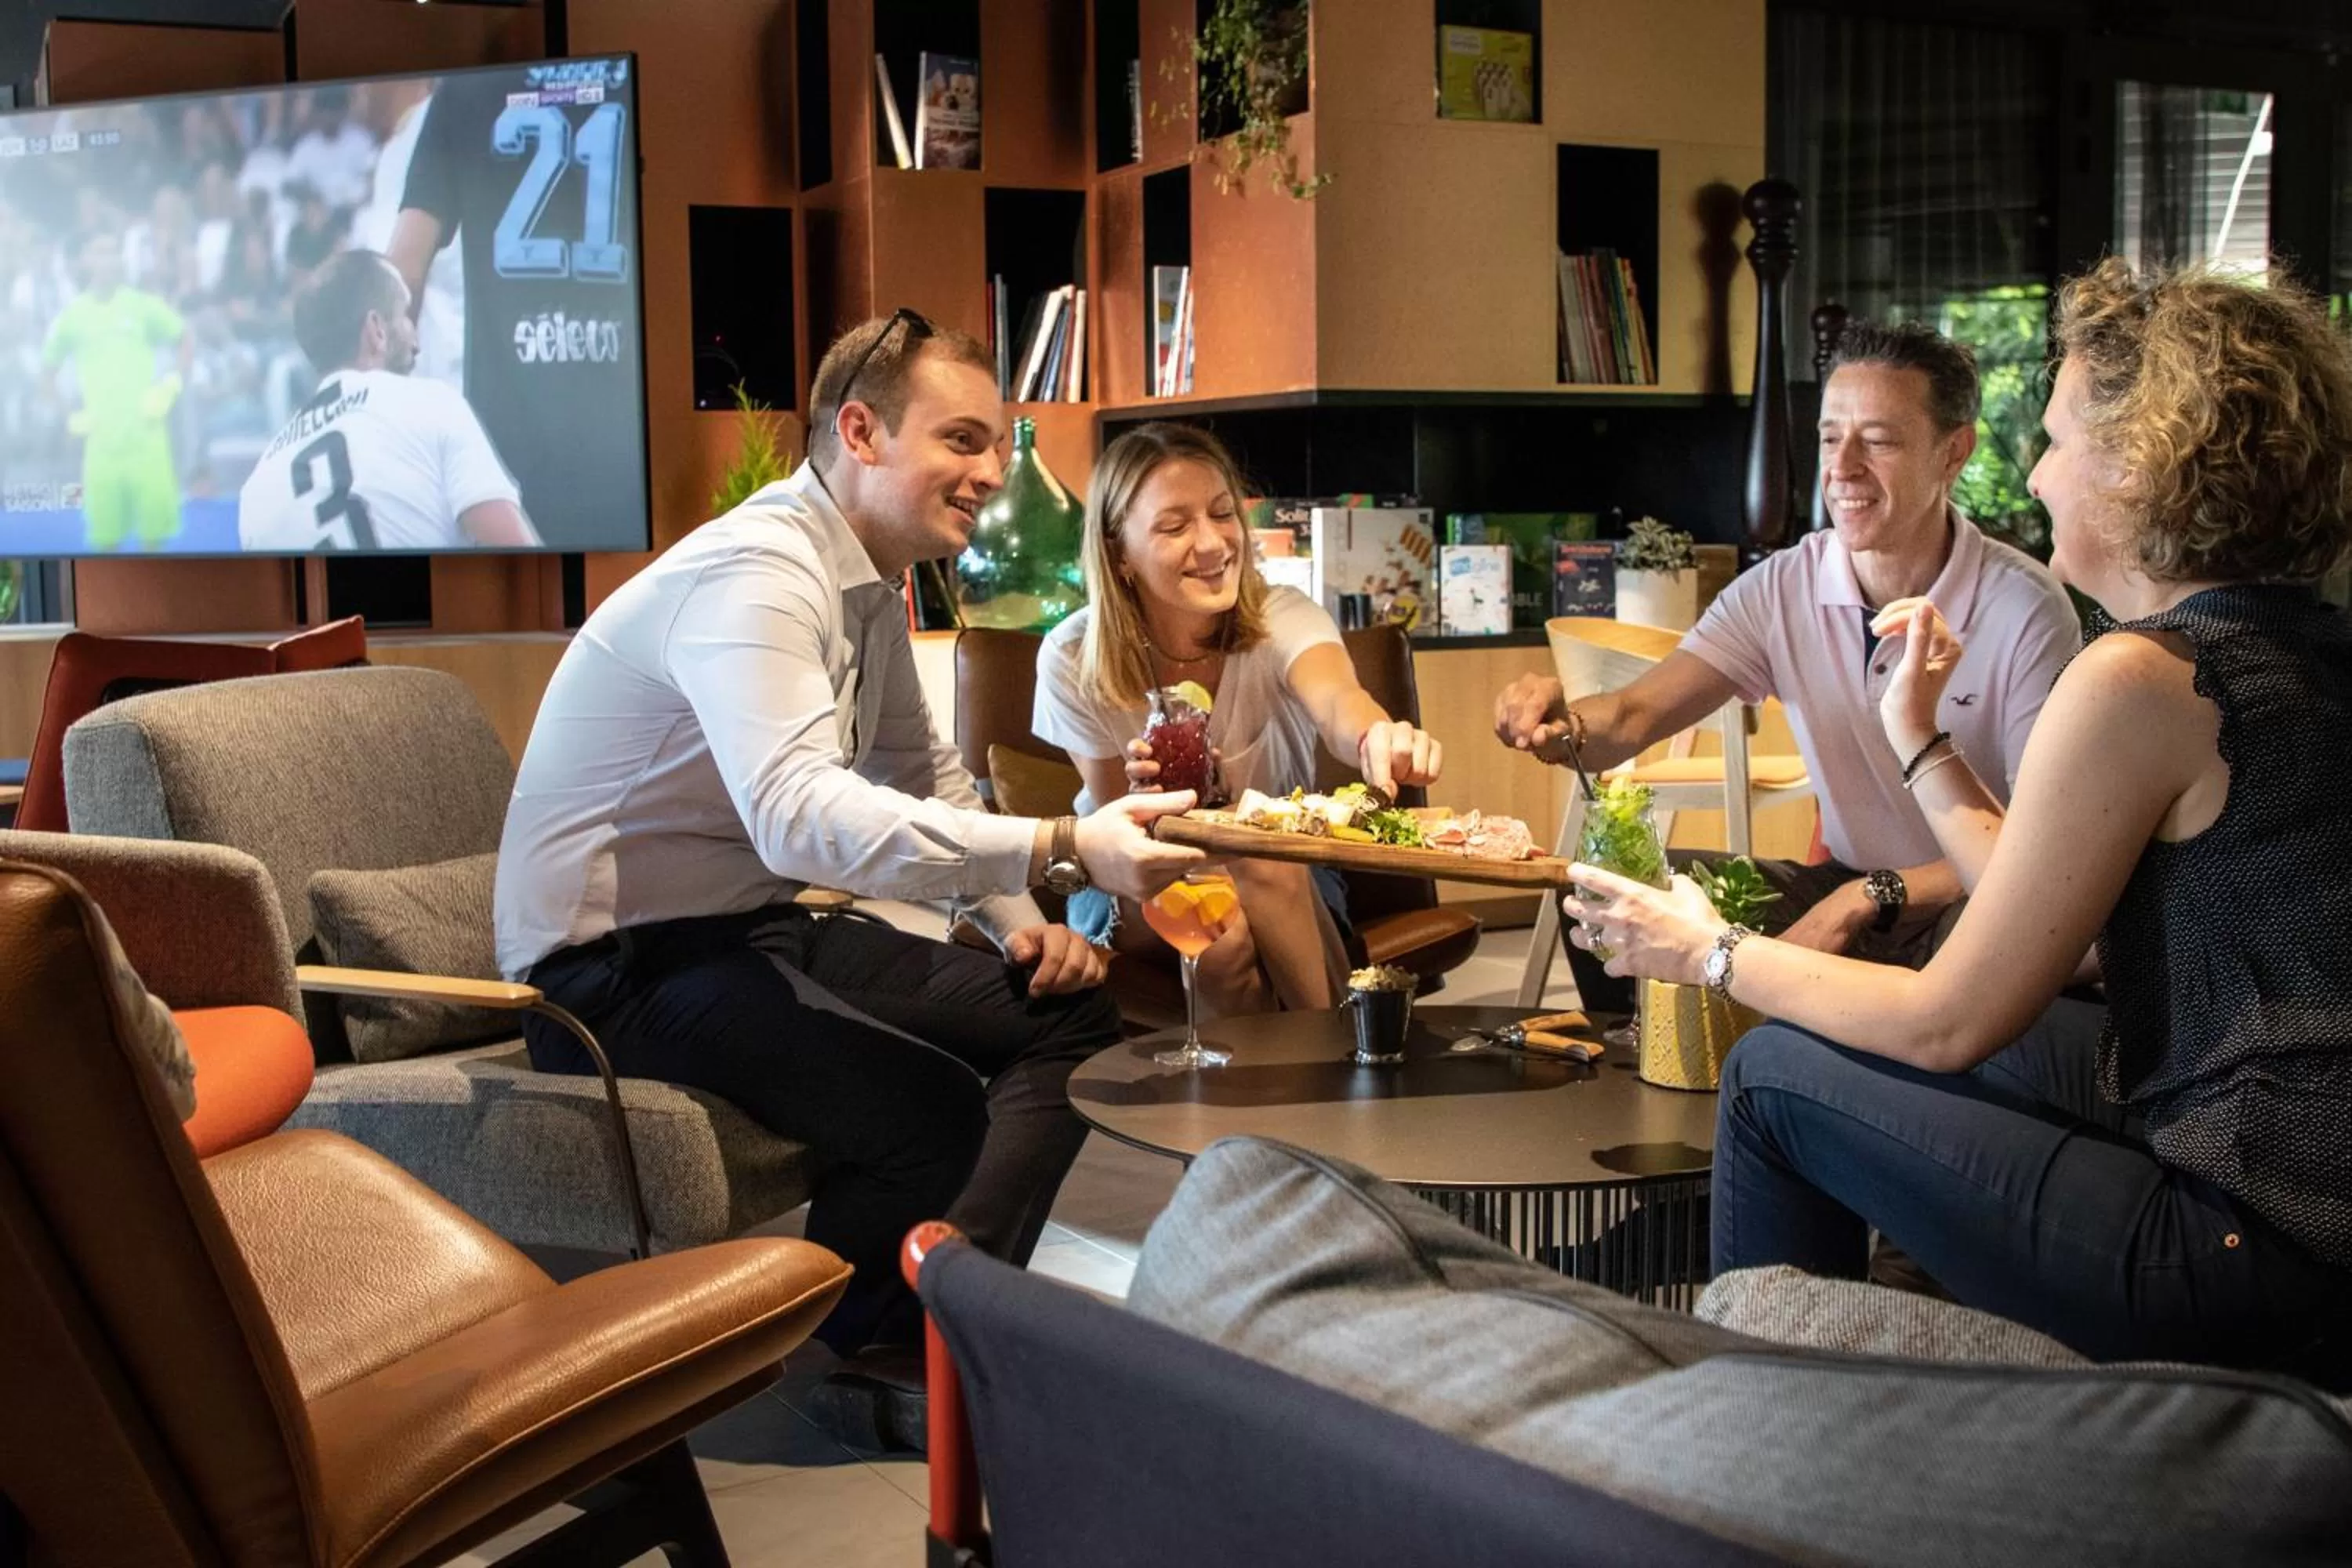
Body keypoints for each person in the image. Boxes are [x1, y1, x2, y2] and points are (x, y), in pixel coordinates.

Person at [1566, 260, 2352, 1385]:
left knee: (1778, 1072)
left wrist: (1710, 951)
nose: (2035, 474)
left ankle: (1755, 1431)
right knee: (1915, 1039)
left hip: (2246, 1254)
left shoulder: (2141, 675)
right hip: (2317, 1206)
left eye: (2060, 437)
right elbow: (2037, 902)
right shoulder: (2300, 651)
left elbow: (1950, 1023)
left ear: (2143, 469)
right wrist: (1921, 736)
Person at [494, 310, 1203, 1446]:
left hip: (748, 930)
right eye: (961, 441)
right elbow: (796, 818)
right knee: (920, 1107)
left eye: (994, 443)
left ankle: (940, 1317)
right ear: (860, 430)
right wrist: (1062, 848)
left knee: (1066, 1011)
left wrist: (1027, 926)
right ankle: (865, 1344)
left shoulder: (870, 583)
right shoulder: (756, 575)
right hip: (606, 971)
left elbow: (922, 777)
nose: (988, 473)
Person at [1494, 323, 2080, 1011]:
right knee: (1608, 892)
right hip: (1839, 881)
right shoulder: (1782, 588)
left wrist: (1868, 896)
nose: (1843, 467)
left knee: (1999, 954)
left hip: (1972, 905)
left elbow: (2040, 856)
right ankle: (1642, 1091)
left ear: (1953, 453)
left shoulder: (2027, 607)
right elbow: (1633, 715)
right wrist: (1560, 722)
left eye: (1879, 441)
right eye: (1832, 438)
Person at [1033, 422, 1443, 1014]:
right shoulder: (1074, 655)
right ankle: (1338, 1066)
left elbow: (1337, 701)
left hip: (1285, 880)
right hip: (1133, 880)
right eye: (1174, 526)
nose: (1212, 544)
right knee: (1227, 887)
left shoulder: (1281, 617)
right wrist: (1146, 797)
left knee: (1244, 890)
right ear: (1119, 552)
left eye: (1222, 514)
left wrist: (1376, 734)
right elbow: (1118, 833)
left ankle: (1273, 1089)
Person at [388, 56, 643, 548]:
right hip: (629, 443)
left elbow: (404, 267)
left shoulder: (461, 94)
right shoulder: (633, 86)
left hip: (507, 450)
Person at [236, 249, 538, 551]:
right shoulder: (431, 405)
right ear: (376, 330)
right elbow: (526, 563)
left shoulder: (257, 487)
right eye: (406, 315)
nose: (417, 341)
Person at [41, 230, 192, 552]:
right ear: (85, 260)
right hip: (102, 449)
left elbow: (185, 339)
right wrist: (69, 415)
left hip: (148, 442)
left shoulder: (142, 306)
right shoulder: (73, 316)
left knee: (156, 547)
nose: (109, 259)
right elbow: (47, 372)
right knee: (105, 548)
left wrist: (171, 385)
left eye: (114, 251)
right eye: (100, 251)